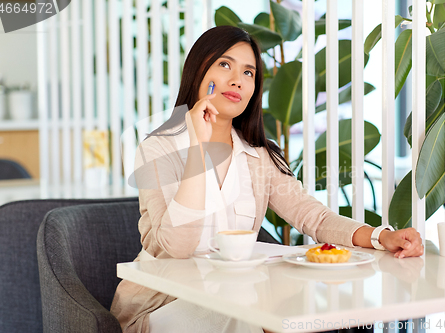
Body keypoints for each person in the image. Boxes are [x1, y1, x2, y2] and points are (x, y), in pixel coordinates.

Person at [110, 25, 424, 333]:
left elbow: (311, 215)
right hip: (163, 309)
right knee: (242, 311)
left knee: (286, 312)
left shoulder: (257, 156)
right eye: (224, 65)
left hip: (239, 301)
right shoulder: (157, 149)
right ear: (198, 71)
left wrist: (380, 237)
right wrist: (196, 147)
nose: (237, 80)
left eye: (248, 73)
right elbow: (176, 248)